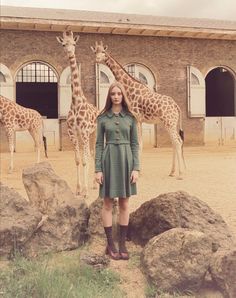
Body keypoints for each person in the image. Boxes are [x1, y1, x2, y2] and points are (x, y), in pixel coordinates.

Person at [95, 81, 139, 260]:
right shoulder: (103, 118)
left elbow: (135, 144)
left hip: (127, 160)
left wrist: (136, 168)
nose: (116, 96)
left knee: (124, 204)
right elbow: (98, 144)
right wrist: (98, 169)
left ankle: (122, 243)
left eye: (119, 93)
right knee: (107, 203)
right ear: (109, 96)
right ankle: (110, 243)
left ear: (123, 96)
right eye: (113, 93)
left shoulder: (130, 118)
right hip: (108, 160)